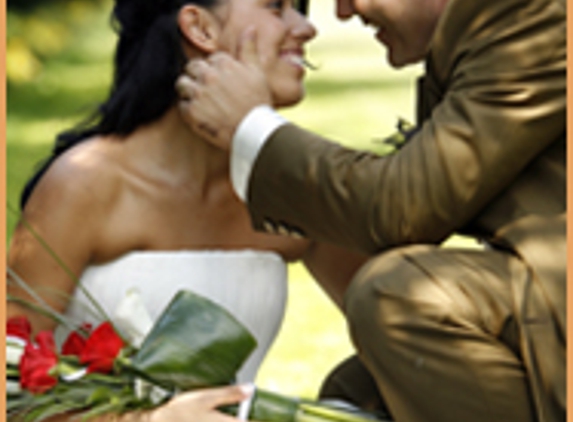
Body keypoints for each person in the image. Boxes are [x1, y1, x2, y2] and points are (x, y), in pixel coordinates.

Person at [174, 0, 567, 420]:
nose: (341, 13)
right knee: (357, 391)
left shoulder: (532, 13)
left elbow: (406, 207)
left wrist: (252, 129)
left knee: (398, 295)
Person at [7, 0, 371, 421]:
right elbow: (8, 386)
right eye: (277, 6)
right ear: (200, 28)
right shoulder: (84, 184)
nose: (306, 28)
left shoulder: (287, 185)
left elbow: (400, 322)